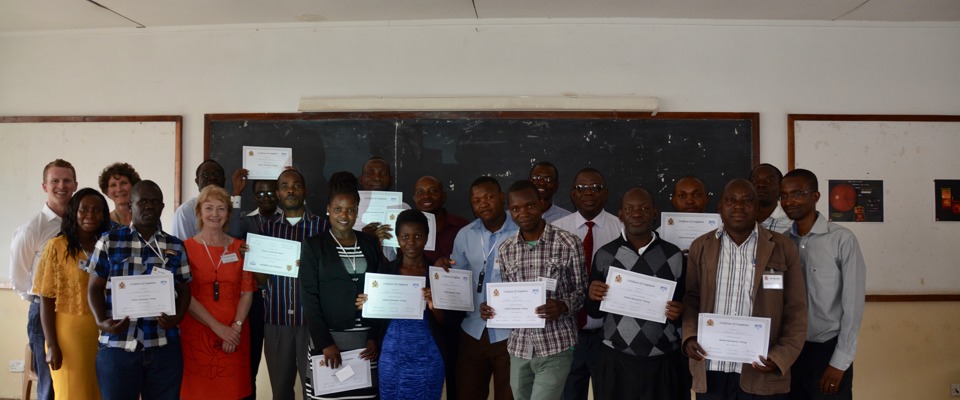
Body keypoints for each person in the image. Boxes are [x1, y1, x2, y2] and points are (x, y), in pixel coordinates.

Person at [681, 179, 807, 399]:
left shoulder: (782, 248)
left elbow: (796, 310)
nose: (738, 206)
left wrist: (780, 357)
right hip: (712, 367)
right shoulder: (700, 246)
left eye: (747, 201)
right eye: (731, 200)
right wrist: (690, 336)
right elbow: (691, 298)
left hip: (760, 368)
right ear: (719, 206)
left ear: (757, 208)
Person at [88, 180, 192, 399]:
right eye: (142, 201)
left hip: (163, 346)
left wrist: (177, 317)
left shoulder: (175, 246)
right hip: (118, 346)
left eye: (154, 202)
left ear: (162, 207)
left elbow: (184, 289)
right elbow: (94, 288)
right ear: (130, 206)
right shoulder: (109, 242)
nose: (149, 206)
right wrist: (100, 321)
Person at [486, 179, 585, 400]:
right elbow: (506, 294)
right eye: (515, 208)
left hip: (555, 344)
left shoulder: (568, 243)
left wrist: (562, 306)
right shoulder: (506, 249)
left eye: (530, 205)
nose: (523, 213)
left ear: (541, 204)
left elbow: (581, 292)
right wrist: (492, 309)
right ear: (509, 211)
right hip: (519, 347)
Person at [585, 187, 685, 400]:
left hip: (663, 357)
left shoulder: (674, 255)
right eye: (630, 209)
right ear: (620, 214)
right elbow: (594, 312)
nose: (637, 214)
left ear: (654, 212)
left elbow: (684, 305)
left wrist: (680, 311)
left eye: (644, 208)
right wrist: (592, 295)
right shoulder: (605, 255)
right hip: (615, 358)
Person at [781, 169, 865, 400]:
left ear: (815, 196)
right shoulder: (781, 243)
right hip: (789, 352)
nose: (788, 201)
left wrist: (839, 363)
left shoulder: (842, 240)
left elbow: (853, 306)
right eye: (784, 195)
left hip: (826, 350)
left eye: (797, 193)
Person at [300, 171, 383, 399]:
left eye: (350, 209)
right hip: (330, 339)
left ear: (358, 210)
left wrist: (374, 336)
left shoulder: (369, 243)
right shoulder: (314, 245)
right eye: (338, 209)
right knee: (328, 395)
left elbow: (380, 289)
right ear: (328, 209)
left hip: (364, 341)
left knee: (362, 395)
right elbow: (308, 297)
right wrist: (325, 343)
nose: (344, 215)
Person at [357, 209, 446, 399]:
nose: (411, 243)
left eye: (418, 236)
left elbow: (445, 322)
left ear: (427, 238)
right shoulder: (386, 271)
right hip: (392, 354)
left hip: (428, 354)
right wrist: (366, 303)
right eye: (405, 236)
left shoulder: (437, 274)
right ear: (397, 238)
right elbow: (376, 316)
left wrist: (434, 303)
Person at [32, 188, 111, 399]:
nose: (90, 215)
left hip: (106, 334)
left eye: (97, 210)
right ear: (73, 212)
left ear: (104, 215)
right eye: (84, 209)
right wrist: (52, 345)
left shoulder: (110, 246)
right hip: (68, 336)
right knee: (72, 393)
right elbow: (46, 299)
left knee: (100, 393)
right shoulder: (56, 247)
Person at [10, 158, 78, 400]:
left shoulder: (83, 222)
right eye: (55, 181)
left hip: (78, 312)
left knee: (77, 376)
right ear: (45, 186)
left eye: (67, 180)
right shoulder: (32, 229)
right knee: (49, 381)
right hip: (44, 312)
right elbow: (19, 277)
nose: (62, 185)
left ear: (75, 185)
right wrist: (40, 302)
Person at [180, 185, 256, 399]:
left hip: (235, 335)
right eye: (209, 208)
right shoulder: (184, 249)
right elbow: (187, 295)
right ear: (199, 212)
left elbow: (247, 292)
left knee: (233, 392)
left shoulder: (241, 248)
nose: (215, 214)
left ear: (228, 214)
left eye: (221, 208)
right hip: (197, 336)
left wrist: (235, 328)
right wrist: (218, 327)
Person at [553, 167, 622, 400]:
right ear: (572, 194)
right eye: (582, 188)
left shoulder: (622, 229)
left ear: (606, 193)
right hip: (568, 335)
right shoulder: (557, 231)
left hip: (608, 336)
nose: (589, 193)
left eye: (596, 187)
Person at [258, 169, 328, 400]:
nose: (290, 190)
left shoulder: (322, 228)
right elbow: (261, 281)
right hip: (277, 321)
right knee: (280, 392)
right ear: (278, 193)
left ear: (304, 190)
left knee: (316, 390)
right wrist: (254, 261)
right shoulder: (266, 230)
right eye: (285, 186)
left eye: (296, 185)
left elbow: (330, 274)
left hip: (312, 323)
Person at [448, 176, 518, 400]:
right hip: (473, 331)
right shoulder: (465, 235)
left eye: (489, 197)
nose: (483, 203)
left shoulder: (521, 232)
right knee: (468, 394)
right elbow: (456, 281)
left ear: (502, 197)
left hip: (511, 334)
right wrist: (443, 274)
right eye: (477, 200)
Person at [226, 170, 281, 400]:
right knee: (250, 365)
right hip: (254, 302)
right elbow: (230, 233)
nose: (266, 197)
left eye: (270, 192)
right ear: (254, 196)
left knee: (282, 370)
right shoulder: (246, 220)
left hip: (282, 300)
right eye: (260, 193)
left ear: (278, 194)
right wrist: (236, 194)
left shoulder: (288, 220)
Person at [413, 175, 469, 400]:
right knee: (420, 380)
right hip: (415, 316)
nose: (426, 196)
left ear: (443, 195)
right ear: (414, 198)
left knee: (455, 377)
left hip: (453, 317)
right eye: (420, 192)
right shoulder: (404, 227)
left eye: (433, 190)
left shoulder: (463, 227)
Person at [172, 159, 227, 240]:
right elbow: (181, 248)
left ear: (224, 180)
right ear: (197, 181)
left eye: (217, 174)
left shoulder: (229, 208)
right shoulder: (186, 211)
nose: (212, 177)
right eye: (206, 174)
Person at [751, 164, 792, 234]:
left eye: (769, 181)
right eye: (755, 180)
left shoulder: (791, 225)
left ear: (781, 188)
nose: (761, 184)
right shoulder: (737, 221)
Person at [98, 162, 141, 227]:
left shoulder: (146, 219)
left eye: (123, 183)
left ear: (133, 186)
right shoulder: (103, 223)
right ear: (107, 192)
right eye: (113, 185)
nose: (119, 189)